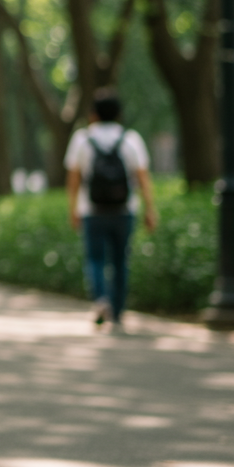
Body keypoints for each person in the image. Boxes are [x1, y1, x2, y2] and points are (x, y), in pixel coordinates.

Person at [64, 88, 159, 334]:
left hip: (91, 210)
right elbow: (142, 177)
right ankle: (117, 312)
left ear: (93, 114)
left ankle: (100, 300)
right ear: (118, 114)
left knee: (95, 258)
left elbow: (73, 179)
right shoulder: (130, 139)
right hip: (124, 210)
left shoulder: (82, 139)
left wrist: (72, 209)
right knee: (120, 261)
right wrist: (150, 209)